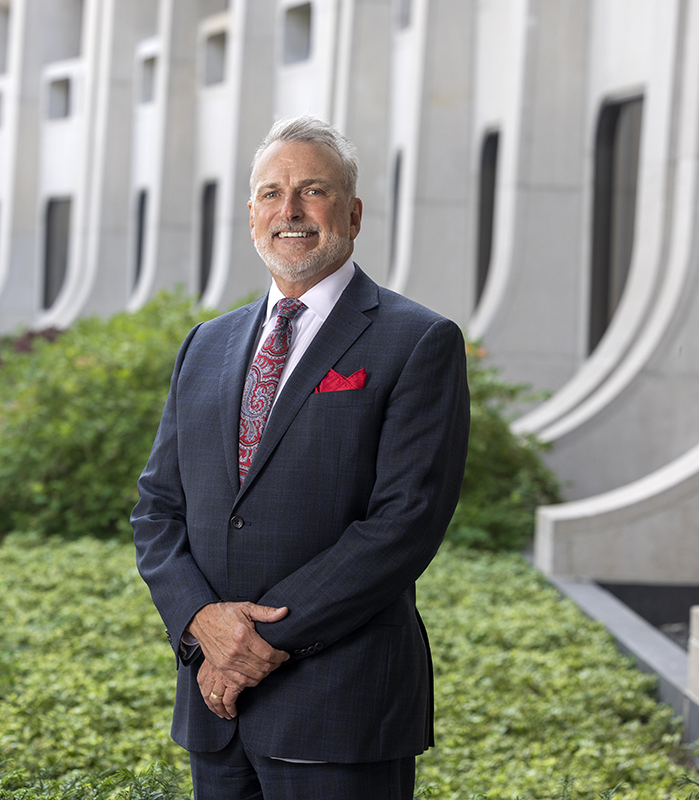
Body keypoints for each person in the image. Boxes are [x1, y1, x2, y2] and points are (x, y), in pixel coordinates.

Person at [132, 115, 470, 799]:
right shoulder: (206, 345)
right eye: (270, 194)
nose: (289, 212)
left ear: (353, 211)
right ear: (251, 214)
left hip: (340, 710)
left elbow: (403, 523)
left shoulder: (418, 341)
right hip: (213, 709)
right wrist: (203, 623)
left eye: (312, 191)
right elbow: (158, 508)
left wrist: (254, 646)